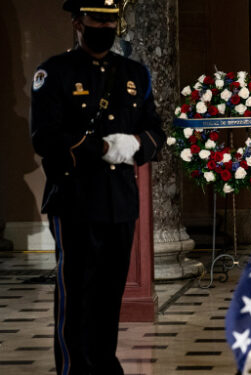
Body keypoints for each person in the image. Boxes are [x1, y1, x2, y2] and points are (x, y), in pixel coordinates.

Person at [29, 1, 165, 374]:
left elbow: (156, 130)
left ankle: (105, 365)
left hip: (120, 201)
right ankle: (74, 368)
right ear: (78, 22)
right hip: (75, 199)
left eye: (110, 19)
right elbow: (45, 137)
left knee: (108, 295)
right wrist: (103, 147)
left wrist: (135, 145)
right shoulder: (54, 72)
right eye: (96, 19)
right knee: (77, 294)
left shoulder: (135, 72)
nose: (104, 25)